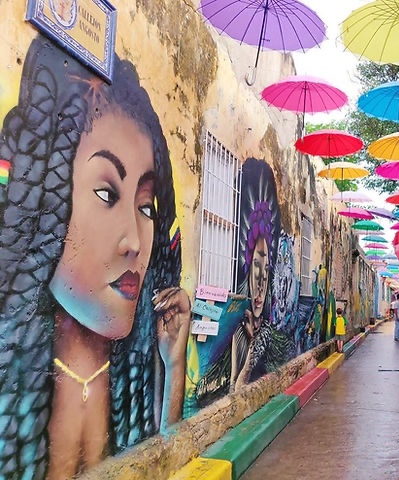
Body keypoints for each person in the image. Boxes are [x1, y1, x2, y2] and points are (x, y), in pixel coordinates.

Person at [0, 36, 191, 478]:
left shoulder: (136, 365)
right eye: (107, 194)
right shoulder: (14, 372)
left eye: (146, 207)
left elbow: (168, 462)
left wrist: (175, 363)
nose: (135, 242)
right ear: (47, 196)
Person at [230, 159, 293, 392]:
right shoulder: (236, 331)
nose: (261, 282)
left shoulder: (268, 332)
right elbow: (235, 387)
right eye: (256, 265)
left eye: (266, 269)